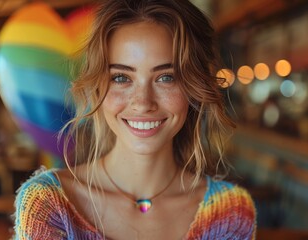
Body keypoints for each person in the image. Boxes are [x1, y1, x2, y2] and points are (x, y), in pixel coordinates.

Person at [14, 0, 256, 239]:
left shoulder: (229, 213)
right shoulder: (49, 203)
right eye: (121, 78)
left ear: (194, 88)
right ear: (98, 87)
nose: (142, 102)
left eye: (166, 77)